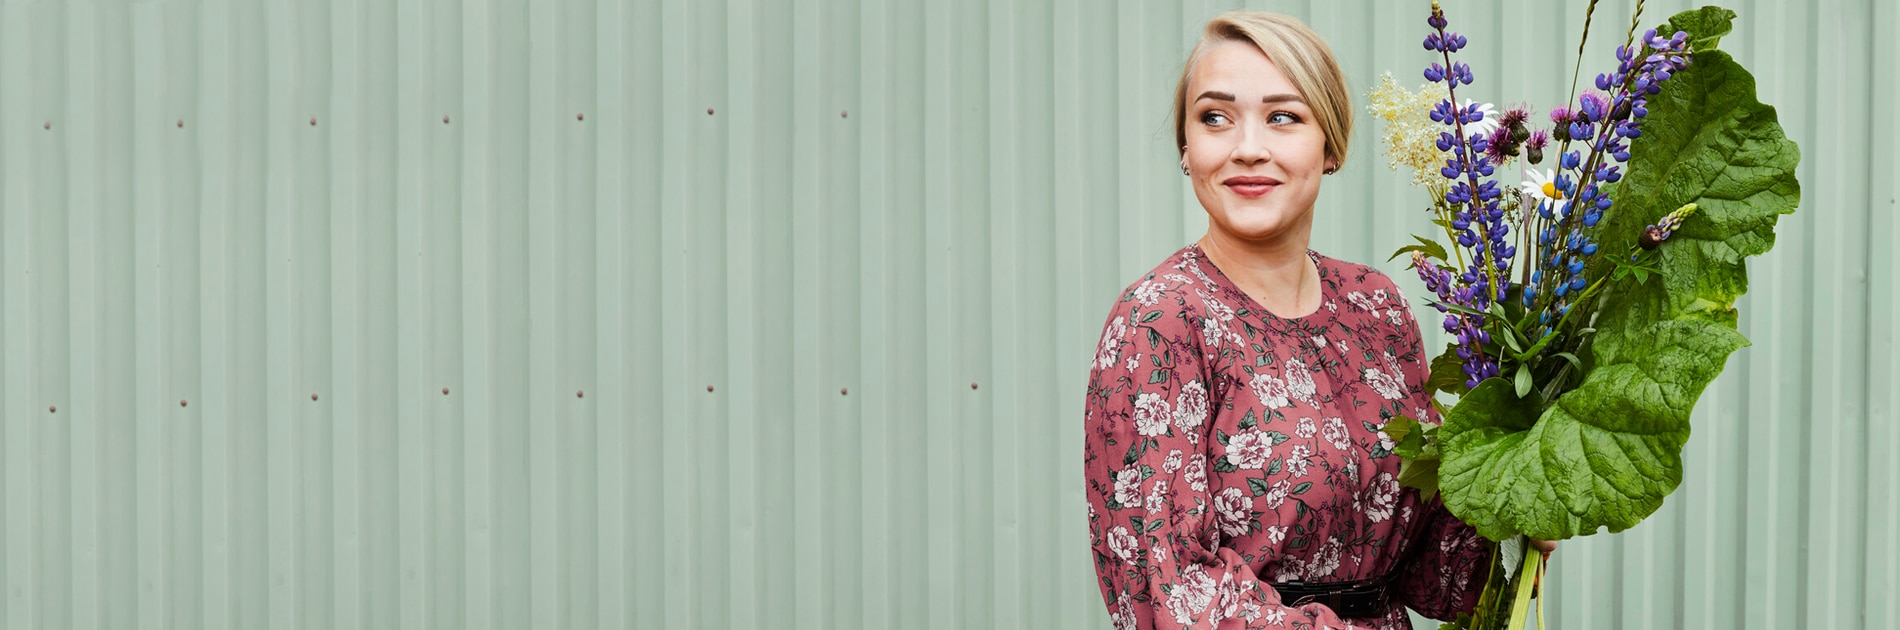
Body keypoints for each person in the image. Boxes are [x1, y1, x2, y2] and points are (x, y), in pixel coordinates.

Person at [1082, 11, 1494, 629]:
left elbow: (1430, 570)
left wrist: (1514, 493)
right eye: (1215, 117)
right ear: (1187, 148)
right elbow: (1166, 592)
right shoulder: (1163, 321)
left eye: (1283, 117)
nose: (1248, 147)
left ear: (1330, 145)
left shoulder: (1374, 306)